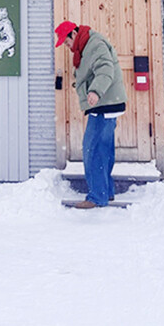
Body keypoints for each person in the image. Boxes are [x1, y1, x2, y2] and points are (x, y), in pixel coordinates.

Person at [55, 19, 126, 208]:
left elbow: (105, 69)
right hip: (107, 104)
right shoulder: (85, 45)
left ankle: (97, 197)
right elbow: (89, 71)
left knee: (92, 150)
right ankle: (105, 192)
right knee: (103, 149)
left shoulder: (94, 44)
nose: (67, 46)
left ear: (73, 34)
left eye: (67, 41)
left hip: (104, 103)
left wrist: (95, 91)